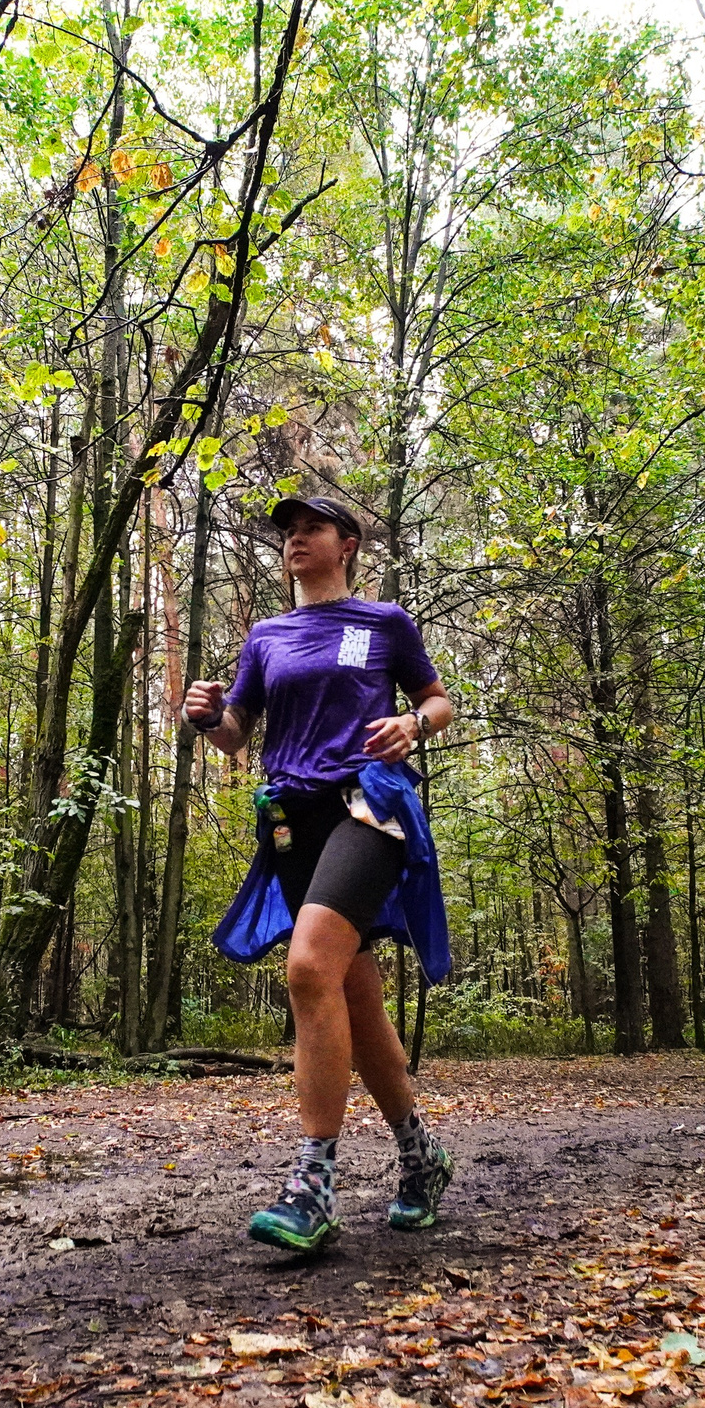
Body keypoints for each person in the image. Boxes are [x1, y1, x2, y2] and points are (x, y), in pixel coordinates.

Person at [181, 496, 456, 1253]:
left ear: (348, 543)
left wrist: (413, 724)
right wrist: (204, 715)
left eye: (310, 527)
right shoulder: (266, 636)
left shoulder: (383, 623)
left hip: (366, 808)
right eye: (287, 531)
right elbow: (235, 736)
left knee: (307, 969)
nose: (294, 538)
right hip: (292, 826)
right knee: (356, 1001)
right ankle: (420, 1158)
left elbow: (440, 699)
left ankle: (312, 1185)